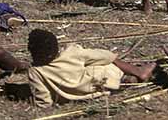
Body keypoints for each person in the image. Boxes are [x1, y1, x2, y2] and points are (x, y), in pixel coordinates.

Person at [26, 28, 154, 108]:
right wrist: (112, 57)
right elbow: (104, 56)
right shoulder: (72, 52)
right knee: (107, 63)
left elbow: (44, 101)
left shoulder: (35, 72)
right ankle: (136, 72)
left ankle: (126, 79)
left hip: (73, 97)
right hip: (98, 86)